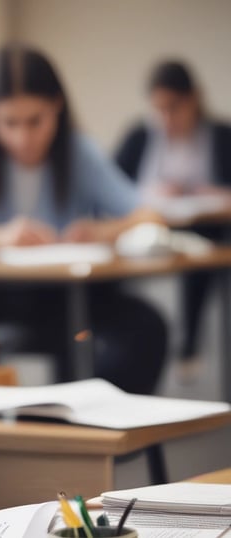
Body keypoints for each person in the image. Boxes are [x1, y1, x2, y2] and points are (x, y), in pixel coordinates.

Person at [0, 43, 168, 395]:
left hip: (63, 295)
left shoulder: (77, 150)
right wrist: (1, 237)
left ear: (57, 107)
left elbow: (149, 217)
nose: (22, 137)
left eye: (35, 121)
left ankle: (85, 434)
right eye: (9, 123)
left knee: (146, 327)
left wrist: (102, 232)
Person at [115, 59, 231, 379]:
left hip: (210, 230)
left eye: (174, 107)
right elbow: (111, 188)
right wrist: (149, 192)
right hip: (146, 231)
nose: (166, 118)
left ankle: (190, 344)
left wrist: (210, 192)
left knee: (200, 254)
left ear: (194, 99)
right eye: (159, 109)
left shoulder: (221, 136)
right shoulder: (139, 136)